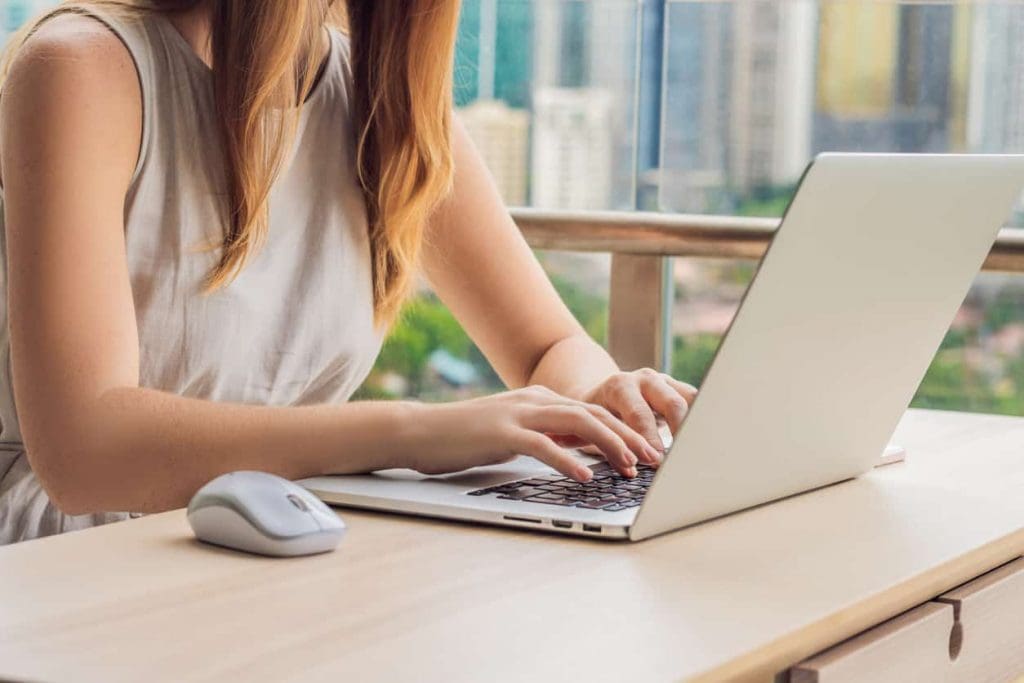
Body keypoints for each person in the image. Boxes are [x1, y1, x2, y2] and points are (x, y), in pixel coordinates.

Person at [0, 0, 696, 544]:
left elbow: (548, 347)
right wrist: (414, 433)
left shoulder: (386, 105)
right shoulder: (83, 69)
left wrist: (601, 396)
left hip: (272, 543)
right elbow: (84, 451)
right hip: (71, 574)